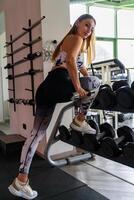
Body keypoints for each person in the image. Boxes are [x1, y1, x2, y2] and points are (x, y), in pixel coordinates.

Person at [8, 14, 100, 199]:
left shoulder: (69, 42)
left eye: (92, 28)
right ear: (77, 24)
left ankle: (21, 180)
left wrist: (84, 76)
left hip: (46, 89)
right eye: (86, 25)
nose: (88, 30)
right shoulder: (76, 38)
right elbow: (72, 63)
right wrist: (79, 87)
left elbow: (78, 66)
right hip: (59, 83)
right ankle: (80, 119)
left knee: (36, 135)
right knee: (97, 82)